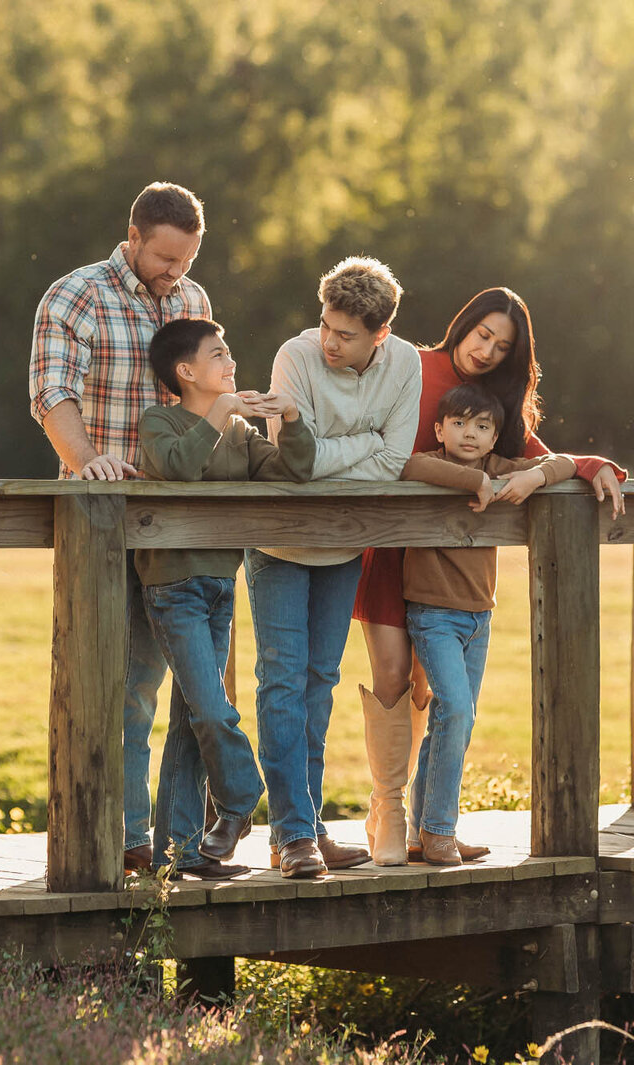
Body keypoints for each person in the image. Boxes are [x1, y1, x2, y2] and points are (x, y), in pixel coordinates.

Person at [351, 287, 627, 864]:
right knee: (393, 674)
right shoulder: (410, 364)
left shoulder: (490, 403)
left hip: (455, 567)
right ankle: (388, 811)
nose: (487, 351)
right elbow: (387, 446)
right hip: (393, 546)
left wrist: (594, 466)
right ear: (464, 324)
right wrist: (472, 481)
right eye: (483, 335)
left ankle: (427, 826)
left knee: (433, 692)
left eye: (502, 347)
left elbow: (538, 457)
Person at [27, 181, 209, 873]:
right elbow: (52, 393)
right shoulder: (76, 295)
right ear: (132, 237)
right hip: (101, 522)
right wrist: (90, 462)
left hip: (177, 523)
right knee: (110, 684)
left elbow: (202, 398)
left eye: (186, 259)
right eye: (164, 257)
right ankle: (120, 835)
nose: (175, 272)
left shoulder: (193, 301)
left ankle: (177, 841)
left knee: (185, 687)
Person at [249, 256, 423, 878]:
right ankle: (293, 833)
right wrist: (366, 443)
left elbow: (394, 461)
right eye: (325, 324)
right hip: (278, 544)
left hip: (345, 546)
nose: (329, 340)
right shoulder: (294, 357)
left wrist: (344, 452)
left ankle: (307, 827)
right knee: (282, 683)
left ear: (381, 335)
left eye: (345, 335)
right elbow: (292, 461)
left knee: (319, 683)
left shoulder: (405, 365)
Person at [137, 317, 314, 879]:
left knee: (193, 719)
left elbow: (294, 471)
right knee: (212, 711)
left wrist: (290, 418)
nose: (231, 361)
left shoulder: (240, 432)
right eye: (218, 355)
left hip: (220, 586)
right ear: (186, 371)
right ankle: (240, 797)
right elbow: (179, 470)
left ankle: (178, 854)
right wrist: (223, 412)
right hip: (173, 586)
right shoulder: (160, 421)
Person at [397, 382, 578, 864]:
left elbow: (565, 464)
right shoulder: (431, 463)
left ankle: (425, 831)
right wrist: (474, 482)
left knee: (453, 718)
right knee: (456, 711)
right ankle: (438, 831)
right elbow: (409, 466)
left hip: (480, 615)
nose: (469, 434)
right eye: (458, 423)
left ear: (495, 438)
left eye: (481, 426)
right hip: (433, 612)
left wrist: (533, 478)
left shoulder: (498, 467)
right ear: (439, 429)